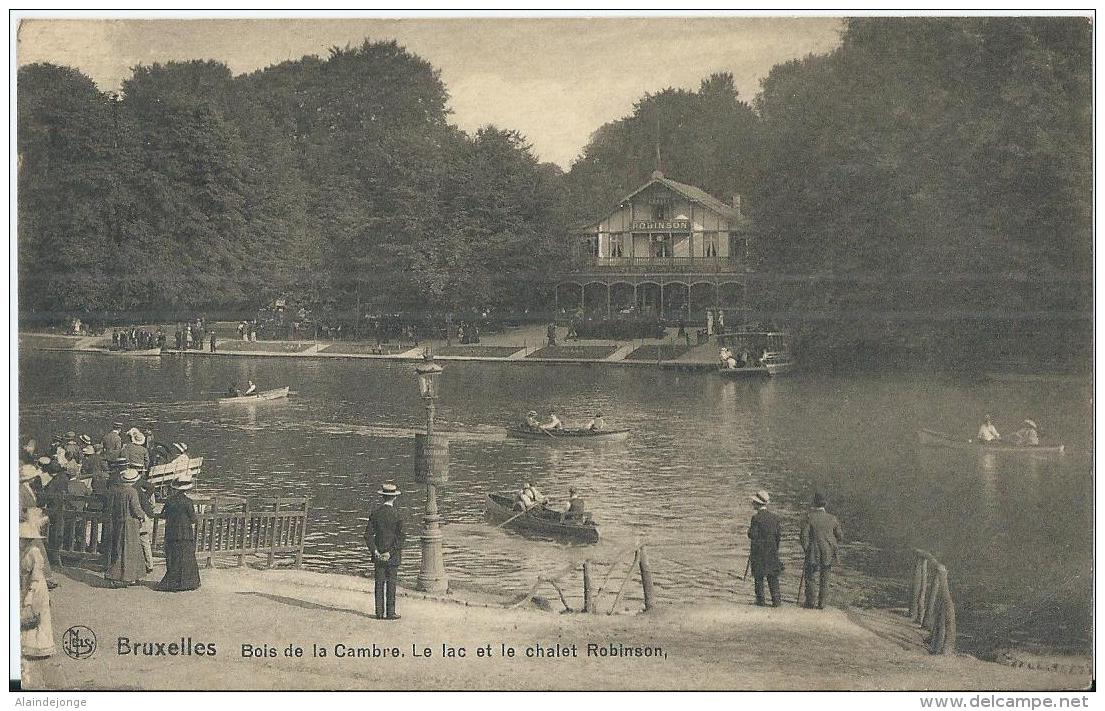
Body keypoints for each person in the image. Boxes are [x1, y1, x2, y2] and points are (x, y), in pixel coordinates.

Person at [364, 482, 406, 620]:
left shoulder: (375, 514)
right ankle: (390, 612)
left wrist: (374, 551)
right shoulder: (397, 515)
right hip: (392, 556)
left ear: (382, 497)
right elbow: (400, 538)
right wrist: (391, 552)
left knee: (379, 583)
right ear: (394, 498)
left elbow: (368, 535)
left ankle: (379, 612)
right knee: (391, 584)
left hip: (378, 555)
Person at [20, 508, 55, 659]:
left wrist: (29, 593)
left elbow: (35, 575)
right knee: (28, 613)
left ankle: (41, 646)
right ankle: (28, 646)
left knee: (37, 613)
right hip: (29, 583)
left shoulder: (33, 552)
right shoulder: (24, 552)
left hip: (37, 586)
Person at [156, 474, 201, 592]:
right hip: (185, 533)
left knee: (173, 557)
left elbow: (164, 514)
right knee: (186, 557)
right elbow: (193, 519)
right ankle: (187, 582)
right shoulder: (188, 502)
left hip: (171, 531)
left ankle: (172, 582)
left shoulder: (170, 500)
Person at [104, 468, 147, 587]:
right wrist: (143, 515)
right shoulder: (132, 491)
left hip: (119, 521)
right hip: (131, 523)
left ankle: (120, 575)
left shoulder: (117, 490)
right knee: (131, 549)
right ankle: (129, 576)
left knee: (120, 548)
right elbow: (136, 508)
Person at [800, 492, 844, 610]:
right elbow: (840, 536)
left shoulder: (809, 517)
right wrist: (831, 545)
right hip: (828, 551)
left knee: (810, 576)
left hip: (813, 550)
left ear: (814, 503)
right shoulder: (833, 518)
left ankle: (810, 602)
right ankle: (822, 603)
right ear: (825, 504)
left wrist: (806, 549)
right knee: (825, 577)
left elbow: (803, 536)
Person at [748, 490, 783, 607]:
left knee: (759, 577)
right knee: (773, 577)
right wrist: (775, 548)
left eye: (754, 502)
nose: (752, 503)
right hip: (772, 550)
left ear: (757, 504)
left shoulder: (756, 518)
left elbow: (752, 535)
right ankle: (776, 601)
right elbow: (778, 536)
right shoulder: (775, 518)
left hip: (759, 552)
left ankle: (761, 601)